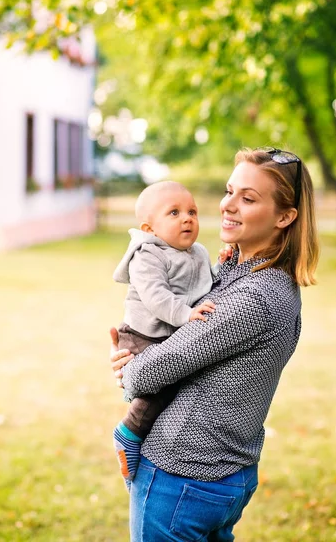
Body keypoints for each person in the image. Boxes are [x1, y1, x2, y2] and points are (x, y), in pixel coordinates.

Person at [110, 147, 319, 542]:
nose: (228, 205)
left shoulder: (257, 295)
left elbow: (151, 371)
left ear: (285, 217)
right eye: (229, 190)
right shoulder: (246, 272)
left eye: (248, 198)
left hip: (183, 474)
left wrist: (128, 365)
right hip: (222, 472)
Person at [112, 181, 222, 488]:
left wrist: (221, 266)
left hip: (168, 334)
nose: (187, 218)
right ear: (150, 227)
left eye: (192, 211)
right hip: (142, 333)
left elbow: (204, 284)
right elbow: (156, 296)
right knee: (159, 385)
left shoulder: (197, 252)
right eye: (174, 213)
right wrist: (186, 314)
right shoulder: (147, 255)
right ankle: (129, 432)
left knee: (176, 388)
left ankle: (146, 438)